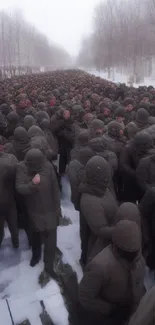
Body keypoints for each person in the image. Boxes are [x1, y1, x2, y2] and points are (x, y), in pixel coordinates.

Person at [79, 220, 145, 325]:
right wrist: (111, 309)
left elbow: (139, 283)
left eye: (134, 252)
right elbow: (85, 296)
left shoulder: (138, 259)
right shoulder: (100, 265)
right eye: (127, 253)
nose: (132, 258)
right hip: (108, 317)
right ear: (116, 246)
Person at [16, 149, 61, 282]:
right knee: (35, 236)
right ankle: (35, 256)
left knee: (51, 240)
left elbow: (55, 187)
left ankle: (49, 265)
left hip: (49, 208)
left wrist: (57, 208)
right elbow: (19, 187)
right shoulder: (21, 167)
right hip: (33, 209)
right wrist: (32, 184)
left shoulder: (47, 166)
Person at [79, 156, 118, 263]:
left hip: (108, 235)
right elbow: (100, 230)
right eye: (104, 176)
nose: (107, 179)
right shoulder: (89, 200)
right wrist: (120, 229)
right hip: (98, 243)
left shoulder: (100, 186)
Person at [0, 149, 18, 248]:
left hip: (4, 201)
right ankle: (16, 244)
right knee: (13, 226)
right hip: (10, 200)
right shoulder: (10, 160)